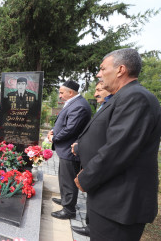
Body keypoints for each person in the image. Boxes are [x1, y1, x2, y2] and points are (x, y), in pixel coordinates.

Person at [72, 48, 161, 241]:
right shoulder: (123, 96)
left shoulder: (136, 98)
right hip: (109, 198)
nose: (99, 74)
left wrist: (87, 177)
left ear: (120, 70)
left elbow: (118, 149)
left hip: (120, 203)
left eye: (103, 69)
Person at [70, 80, 112, 237]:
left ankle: (91, 226)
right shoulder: (104, 105)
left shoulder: (115, 106)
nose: (95, 94)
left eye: (100, 89)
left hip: (99, 163)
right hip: (90, 160)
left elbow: (105, 139)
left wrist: (80, 147)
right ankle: (90, 225)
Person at [47, 80, 91, 220]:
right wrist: (53, 131)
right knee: (64, 177)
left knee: (68, 179)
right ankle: (66, 200)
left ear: (70, 92)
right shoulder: (74, 103)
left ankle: (69, 210)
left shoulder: (79, 106)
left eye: (61, 93)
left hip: (70, 149)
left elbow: (70, 129)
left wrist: (54, 138)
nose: (59, 96)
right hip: (65, 149)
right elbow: (62, 123)